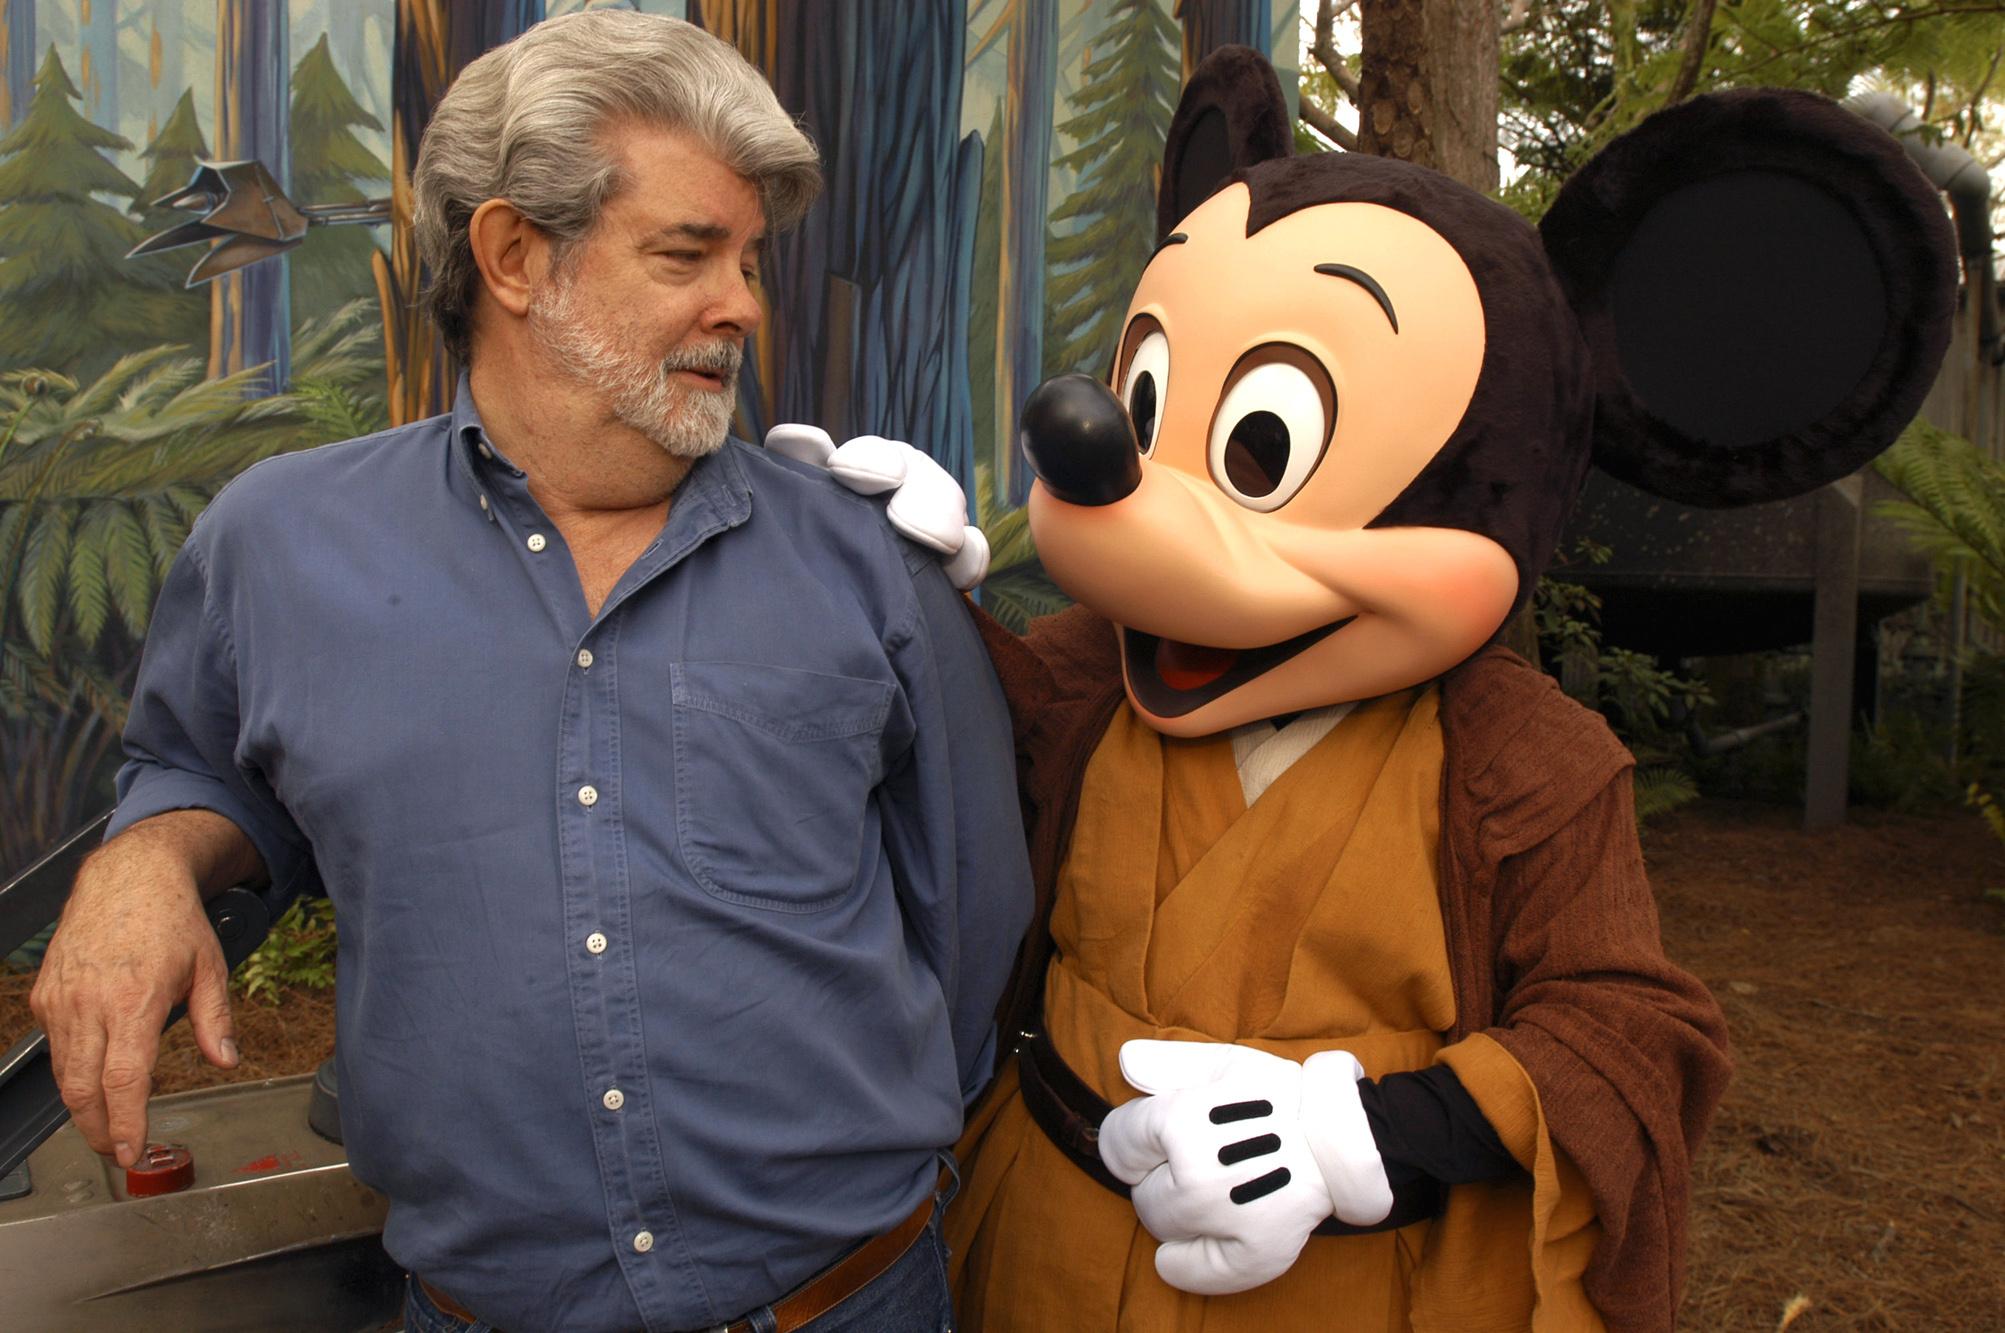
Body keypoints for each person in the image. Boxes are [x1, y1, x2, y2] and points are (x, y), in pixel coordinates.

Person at [29, 13, 1032, 1332]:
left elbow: (971, 923)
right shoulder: (277, 547)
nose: (741, 302)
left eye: (747, 260)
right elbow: (206, 771)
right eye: (686, 253)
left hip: (846, 1304)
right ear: (513, 255)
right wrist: (145, 860)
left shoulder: (871, 562)